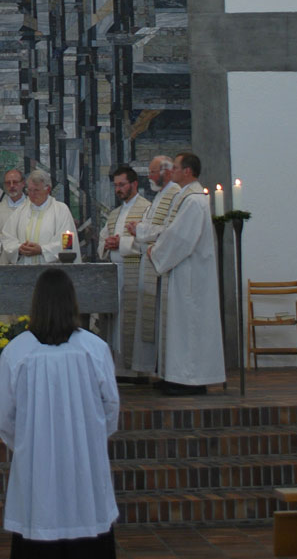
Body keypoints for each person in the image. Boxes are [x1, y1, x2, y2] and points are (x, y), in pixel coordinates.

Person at [0, 267, 123, 559]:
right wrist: (86, 441)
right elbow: (110, 407)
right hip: (84, 464)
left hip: (37, 465)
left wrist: (32, 448)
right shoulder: (94, 349)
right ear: (72, 304)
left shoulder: (17, 351)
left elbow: (4, 418)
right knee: (86, 523)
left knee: (41, 522)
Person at [147, 151, 226, 395]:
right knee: (177, 327)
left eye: (177, 167)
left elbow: (180, 237)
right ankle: (174, 374)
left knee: (188, 326)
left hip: (190, 275)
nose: (173, 172)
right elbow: (173, 231)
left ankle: (190, 379)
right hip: (180, 271)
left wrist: (156, 251)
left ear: (188, 171)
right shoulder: (184, 196)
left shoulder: (194, 200)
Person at [126, 154, 179, 374]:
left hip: (163, 269)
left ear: (166, 172)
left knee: (163, 320)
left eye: (153, 172)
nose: (150, 176)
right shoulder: (159, 197)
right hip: (150, 262)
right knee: (151, 321)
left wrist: (139, 230)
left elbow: (169, 231)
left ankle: (165, 369)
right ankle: (156, 369)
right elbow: (152, 226)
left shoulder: (175, 195)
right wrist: (140, 229)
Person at [97, 164, 149, 372]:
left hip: (134, 271)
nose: (118, 189)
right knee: (116, 322)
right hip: (114, 274)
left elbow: (149, 241)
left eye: (122, 184)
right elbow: (103, 238)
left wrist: (122, 244)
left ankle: (135, 369)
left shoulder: (146, 209)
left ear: (134, 184)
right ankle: (117, 368)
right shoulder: (115, 214)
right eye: (115, 185)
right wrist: (107, 244)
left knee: (131, 321)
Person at [0, 169, 80, 264]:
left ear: (48, 189)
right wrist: (19, 248)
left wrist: (42, 250)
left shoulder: (61, 210)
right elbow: (7, 237)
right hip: (24, 271)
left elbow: (68, 244)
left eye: (36, 190)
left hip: (51, 272)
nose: (32, 194)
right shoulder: (20, 212)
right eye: (29, 190)